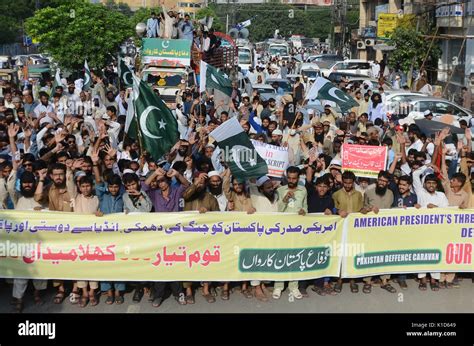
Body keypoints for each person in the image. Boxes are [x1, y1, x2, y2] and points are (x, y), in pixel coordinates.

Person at [273, 166, 307, 300]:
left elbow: (305, 208)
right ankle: (278, 286)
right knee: (281, 257)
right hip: (283, 230)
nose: (291, 181)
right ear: (286, 177)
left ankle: (294, 286)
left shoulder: (303, 190)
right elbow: (278, 210)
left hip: (297, 229)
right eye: (289, 178)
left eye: (294, 178)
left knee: (295, 257)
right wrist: (285, 199)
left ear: (298, 178)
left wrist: (304, 212)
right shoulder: (280, 190)